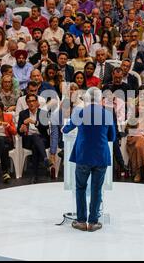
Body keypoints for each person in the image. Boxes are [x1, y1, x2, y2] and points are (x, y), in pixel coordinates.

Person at [63, 87, 116, 232]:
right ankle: (93, 222)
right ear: (100, 99)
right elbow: (112, 137)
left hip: (83, 156)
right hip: (100, 156)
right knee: (96, 189)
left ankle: (81, 221)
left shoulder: (80, 113)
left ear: (86, 98)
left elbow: (66, 129)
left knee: (80, 188)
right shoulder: (107, 114)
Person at [18, 93, 51, 184]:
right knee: (34, 137)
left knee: (35, 145)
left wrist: (35, 122)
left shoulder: (43, 113)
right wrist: (21, 129)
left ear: (37, 102)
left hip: (42, 139)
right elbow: (18, 130)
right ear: (27, 103)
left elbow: (46, 127)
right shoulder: (23, 113)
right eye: (29, 101)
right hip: (28, 139)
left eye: (33, 101)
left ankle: (34, 175)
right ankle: (45, 158)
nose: (31, 103)